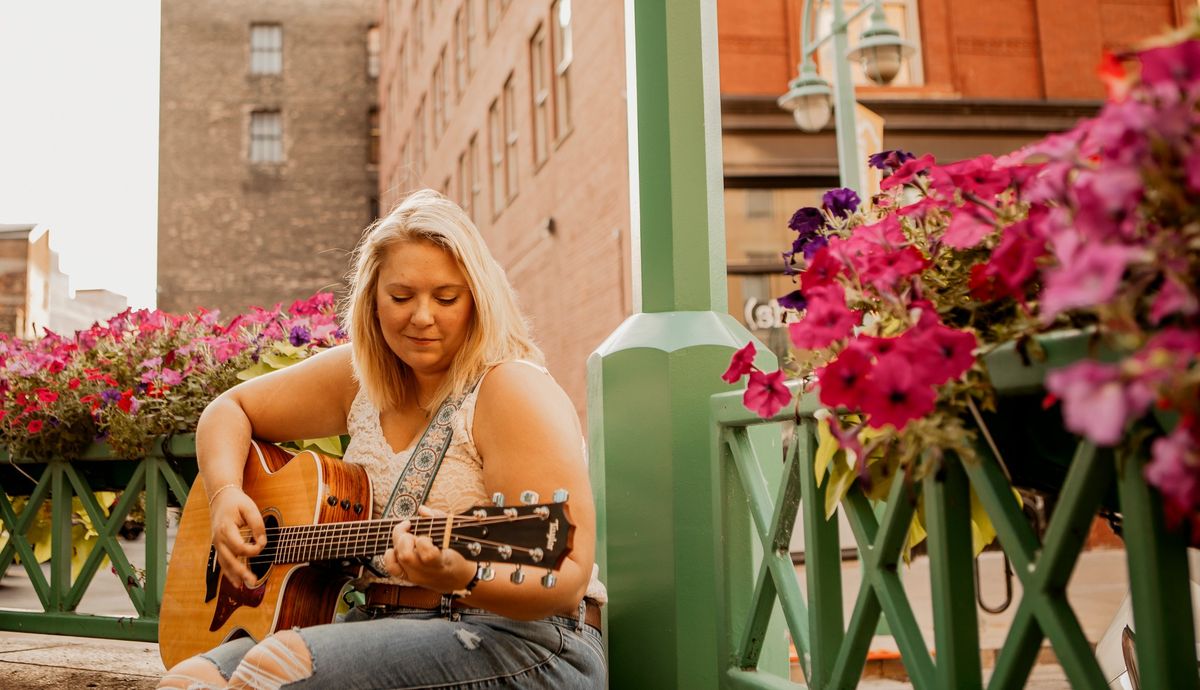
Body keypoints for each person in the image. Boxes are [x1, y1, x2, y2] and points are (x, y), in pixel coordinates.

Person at [158, 190, 607, 689]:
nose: (421, 316)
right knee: (188, 682)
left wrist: (463, 576)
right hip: (381, 627)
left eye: (445, 297)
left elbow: (565, 578)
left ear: (479, 299)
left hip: (522, 642)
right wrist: (225, 495)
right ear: (373, 299)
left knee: (279, 668)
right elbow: (229, 409)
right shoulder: (361, 378)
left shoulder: (511, 390)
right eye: (400, 297)